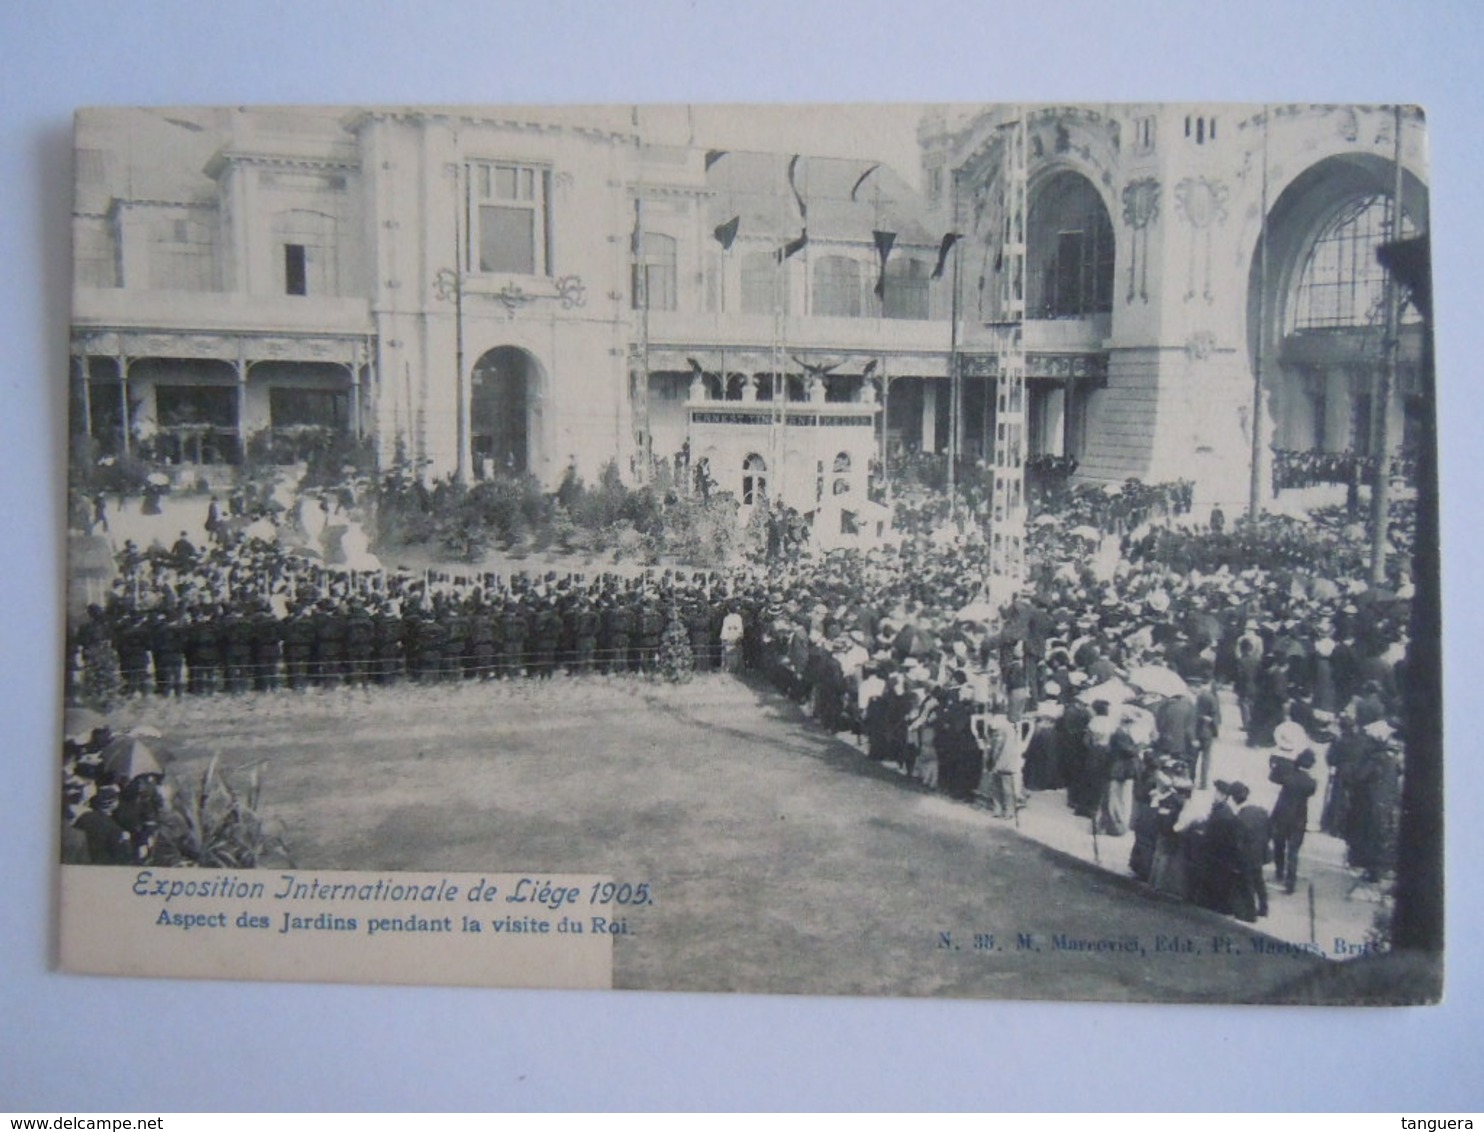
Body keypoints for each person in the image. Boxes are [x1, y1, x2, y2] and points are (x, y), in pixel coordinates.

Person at [1269, 746, 1319, 895]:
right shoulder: (1311, 783)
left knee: (1279, 844)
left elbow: (1273, 777)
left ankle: (1279, 871)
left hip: (1282, 815)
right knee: (1293, 851)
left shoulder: (1289, 777)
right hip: (1299, 818)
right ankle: (1290, 883)